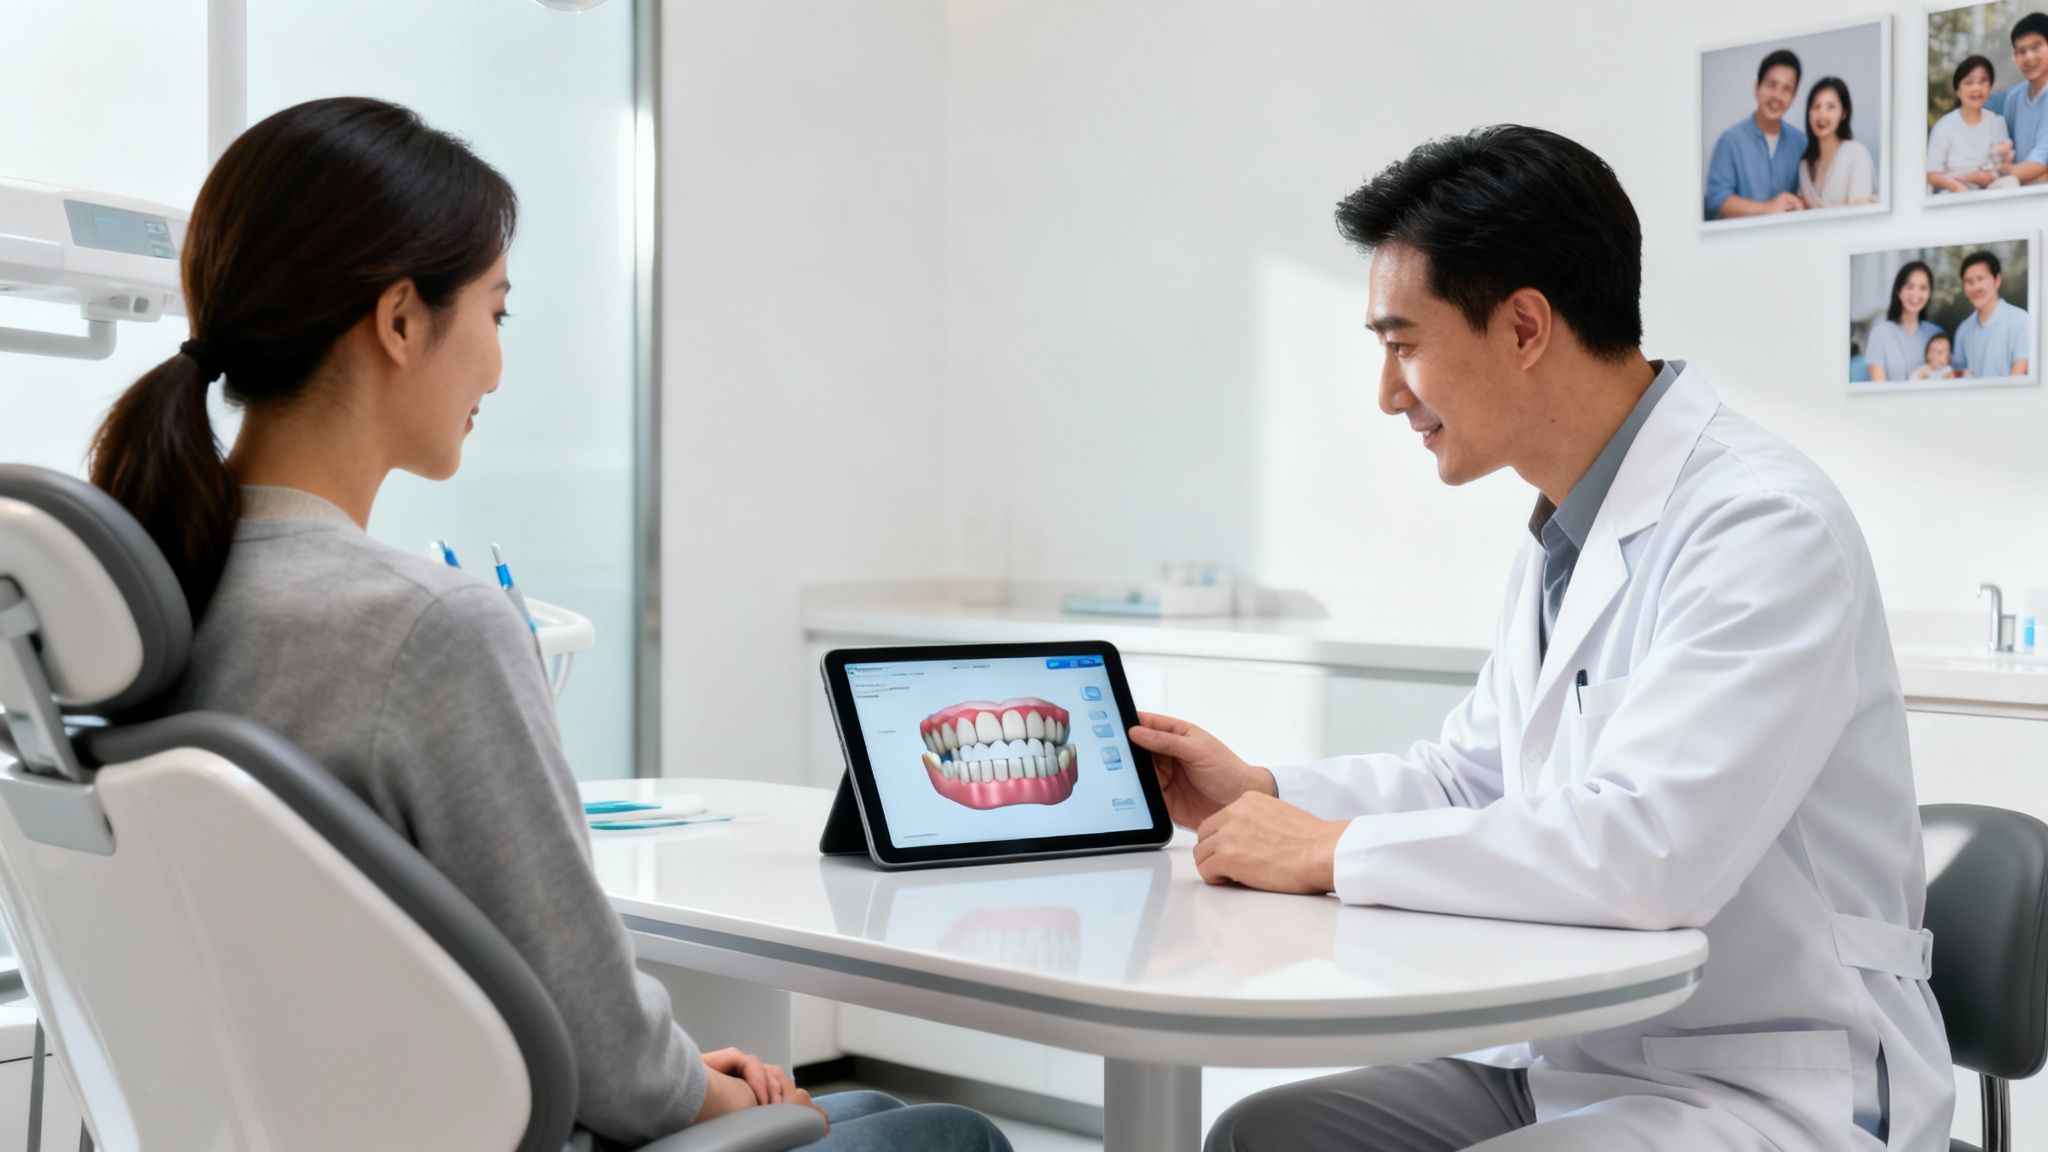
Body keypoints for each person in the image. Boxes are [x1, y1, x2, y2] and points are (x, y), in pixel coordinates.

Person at [89, 96, 1012, 1152]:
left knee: (872, 1114)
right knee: (943, 1133)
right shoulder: (428, 626)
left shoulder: (141, 607)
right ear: (399, 321)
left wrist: (681, 1079)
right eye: (496, 312)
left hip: (317, 1119)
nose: (494, 363)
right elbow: (611, 1064)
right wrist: (702, 1095)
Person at [1147, 125, 1950, 1150]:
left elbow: (1649, 853)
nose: (1388, 394)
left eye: (1402, 345)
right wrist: (1265, 792)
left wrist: (1330, 852)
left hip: (1758, 1073)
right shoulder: (1566, 528)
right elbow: (1468, 779)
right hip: (1571, 1053)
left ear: (1524, 327)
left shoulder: (1761, 523)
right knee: (1266, 1136)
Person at [1704, 49, 1806, 219]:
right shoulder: (1730, 140)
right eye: (1772, 85)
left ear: (1793, 97)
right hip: (1740, 243)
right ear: (1756, 88)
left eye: (1786, 89)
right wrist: (1768, 207)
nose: (1777, 96)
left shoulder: (1801, 142)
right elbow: (1716, 200)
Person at [1927, 55, 2019, 193]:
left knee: (2011, 183)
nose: (1976, 88)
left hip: (1988, 190)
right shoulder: (1944, 126)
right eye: (1969, 83)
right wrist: (1958, 185)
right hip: (1955, 190)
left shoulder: (1996, 122)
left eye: (1983, 82)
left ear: (1990, 86)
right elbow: (1931, 174)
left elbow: (2003, 164)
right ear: (1958, 90)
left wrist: (1992, 173)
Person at [1950, 249, 2034, 379]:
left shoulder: (2021, 320)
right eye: (1969, 281)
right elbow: (1958, 378)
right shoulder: (1963, 330)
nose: (1975, 287)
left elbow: (2019, 378)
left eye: (1980, 279)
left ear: (1997, 280)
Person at [1797, 77, 1876, 207]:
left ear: (1843, 113)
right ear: (1809, 113)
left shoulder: (1856, 153)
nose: (1822, 115)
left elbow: (1860, 214)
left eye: (1830, 107)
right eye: (1816, 106)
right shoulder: (1804, 167)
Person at [1864, 261, 1944, 382]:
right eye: (1909, 287)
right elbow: (1878, 390)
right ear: (1898, 291)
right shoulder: (1879, 334)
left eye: (1923, 288)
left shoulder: (1936, 334)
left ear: (1929, 294)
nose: (1916, 294)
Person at [2001, 12, 2048, 185]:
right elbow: (2007, 148)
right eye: (2021, 51)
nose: (2028, 57)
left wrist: (1999, 177)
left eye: (2036, 48)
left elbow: (2043, 157)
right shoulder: (2013, 99)